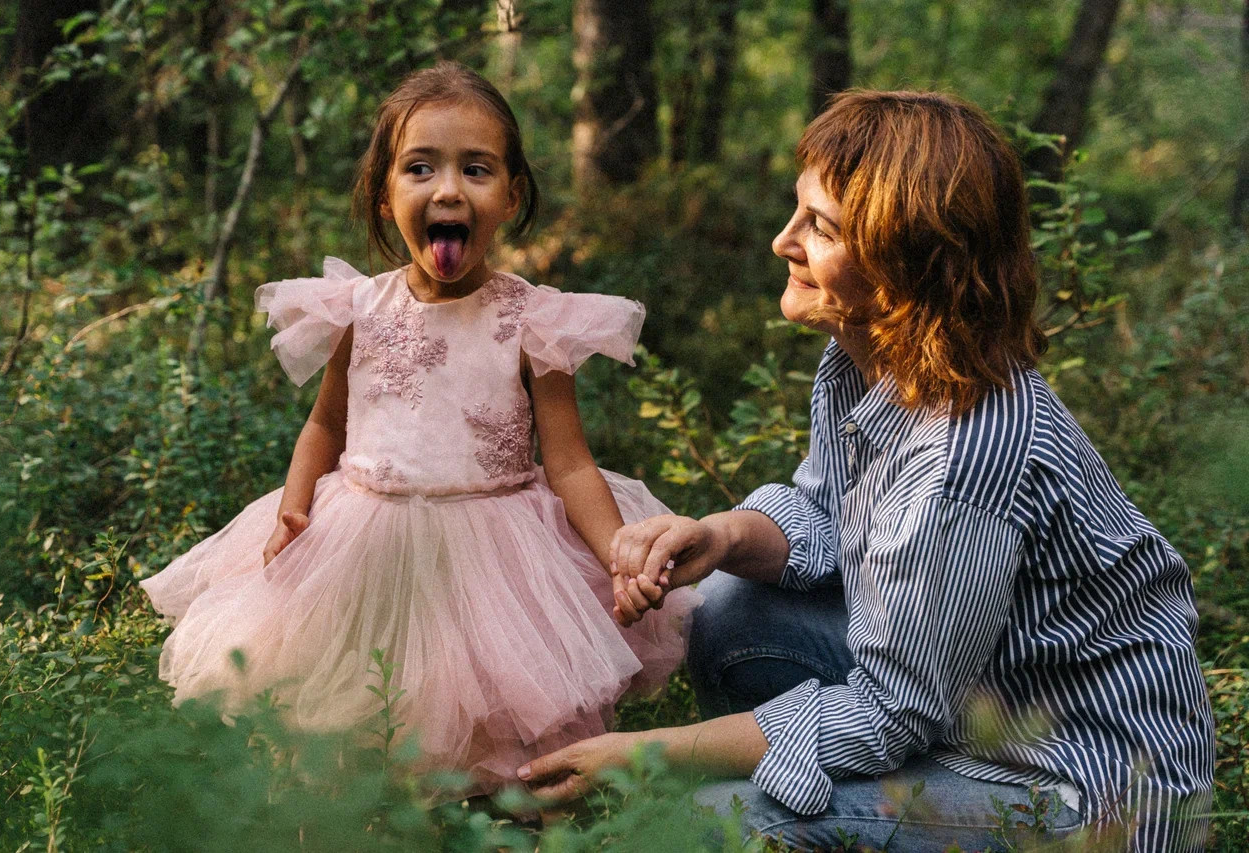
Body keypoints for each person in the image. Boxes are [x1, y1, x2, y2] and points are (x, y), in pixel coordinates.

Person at [519, 91, 1214, 851]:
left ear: (911, 261)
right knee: (728, 610)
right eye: (798, 212)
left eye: (821, 227)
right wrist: (721, 534)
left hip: (1079, 787)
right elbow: (825, 514)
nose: (783, 241)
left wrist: (652, 754)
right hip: (968, 696)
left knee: (707, 821)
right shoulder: (864, 359)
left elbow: (893, 712)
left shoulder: (963, 455)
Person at [140, 61, 699, 795]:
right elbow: (324, 425)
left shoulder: (533, 321)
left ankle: (498, 815)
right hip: (364, 532)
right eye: (420, 168)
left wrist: (617, 556)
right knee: (355, 701)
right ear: (384, 194)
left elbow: (568, 464)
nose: (447, 190)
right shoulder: (359, 310)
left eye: (475, 169)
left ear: (510, 195)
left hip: (496, 546)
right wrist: (295, 501)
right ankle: (358, 814)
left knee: (492, 712)